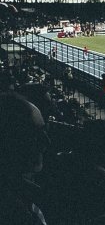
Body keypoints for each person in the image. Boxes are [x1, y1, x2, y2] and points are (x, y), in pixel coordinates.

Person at [0, 92, 51, 224]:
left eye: (45, 130)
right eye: (33, 133)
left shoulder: (23, 194)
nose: (46, 143)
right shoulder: (16, 213)